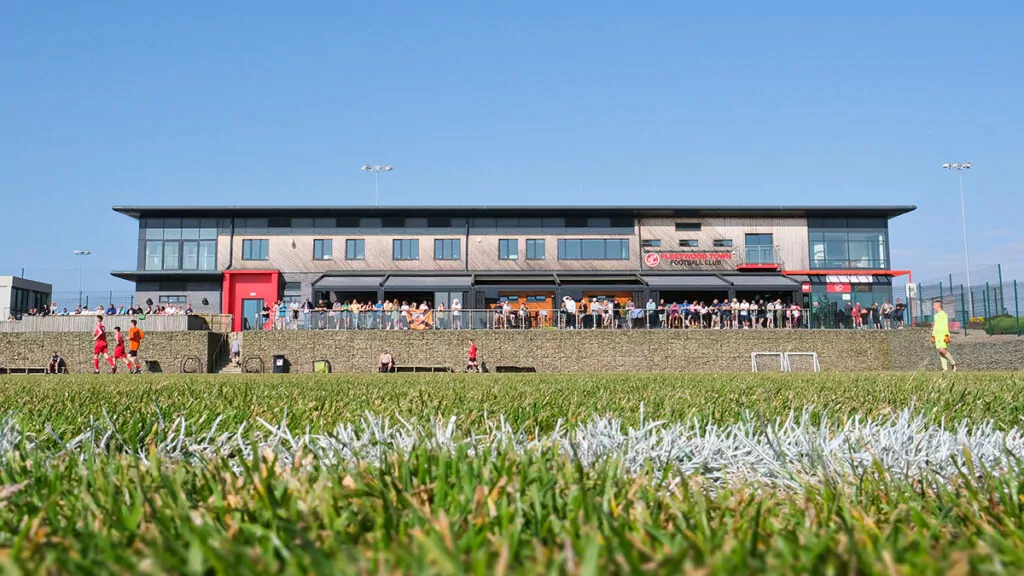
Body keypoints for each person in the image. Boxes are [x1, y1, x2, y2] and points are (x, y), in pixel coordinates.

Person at [931, 299, 958, 372]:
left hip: (943, 334)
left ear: (938, 306)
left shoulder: (944, 314)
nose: (933, 307)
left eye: (934, 305)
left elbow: (945, 325)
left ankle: (953, 363)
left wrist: (946, 335)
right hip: (937, 335)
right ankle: (944, 368)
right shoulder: (936, 316)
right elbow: (935, 326)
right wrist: (933, 336)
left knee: (942, 350)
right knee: (940, 351)